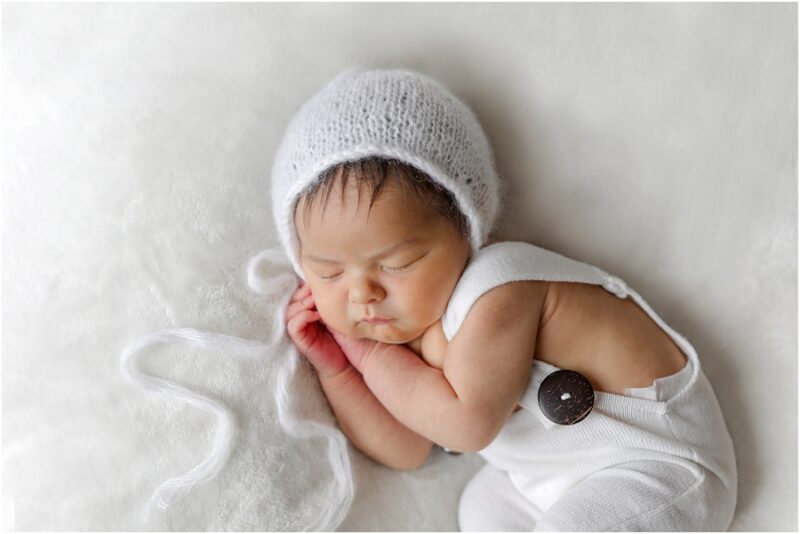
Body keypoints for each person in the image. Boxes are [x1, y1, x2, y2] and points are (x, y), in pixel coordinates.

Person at [272, 67, 737, 531]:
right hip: (548, 481)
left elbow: (464, 424)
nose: (362, 294)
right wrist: (335, 368)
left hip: (659, 469)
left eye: (396, 263)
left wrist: (367, 353)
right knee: (481, 507)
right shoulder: (405, 327)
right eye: (328, 272)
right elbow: (410, 450)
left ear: (467, 227)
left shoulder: (501, 285)